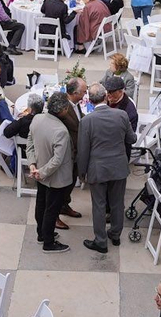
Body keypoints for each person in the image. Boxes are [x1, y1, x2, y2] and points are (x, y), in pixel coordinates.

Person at [78, 85, 135, 253]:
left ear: (89, 100)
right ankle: (115, 235)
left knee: (99, 205)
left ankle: (101, 241)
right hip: (118, 167)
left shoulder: (86, 121)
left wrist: (82, 173)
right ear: (105, 97)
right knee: (118, 203)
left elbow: (83, 150)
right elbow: (131, 139)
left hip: (98, 169)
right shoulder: (122, 115)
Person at [30, 94, 76, 253]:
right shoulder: (61, 131)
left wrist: (33, 165)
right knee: (52, 209)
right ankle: (48, 243)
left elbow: (30, 142)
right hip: (56, 178)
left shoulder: (37, 119)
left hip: (39, 171)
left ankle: (41, 234)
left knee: (41, 204)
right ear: (63, 110)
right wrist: (41, 172)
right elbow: (57, 160)